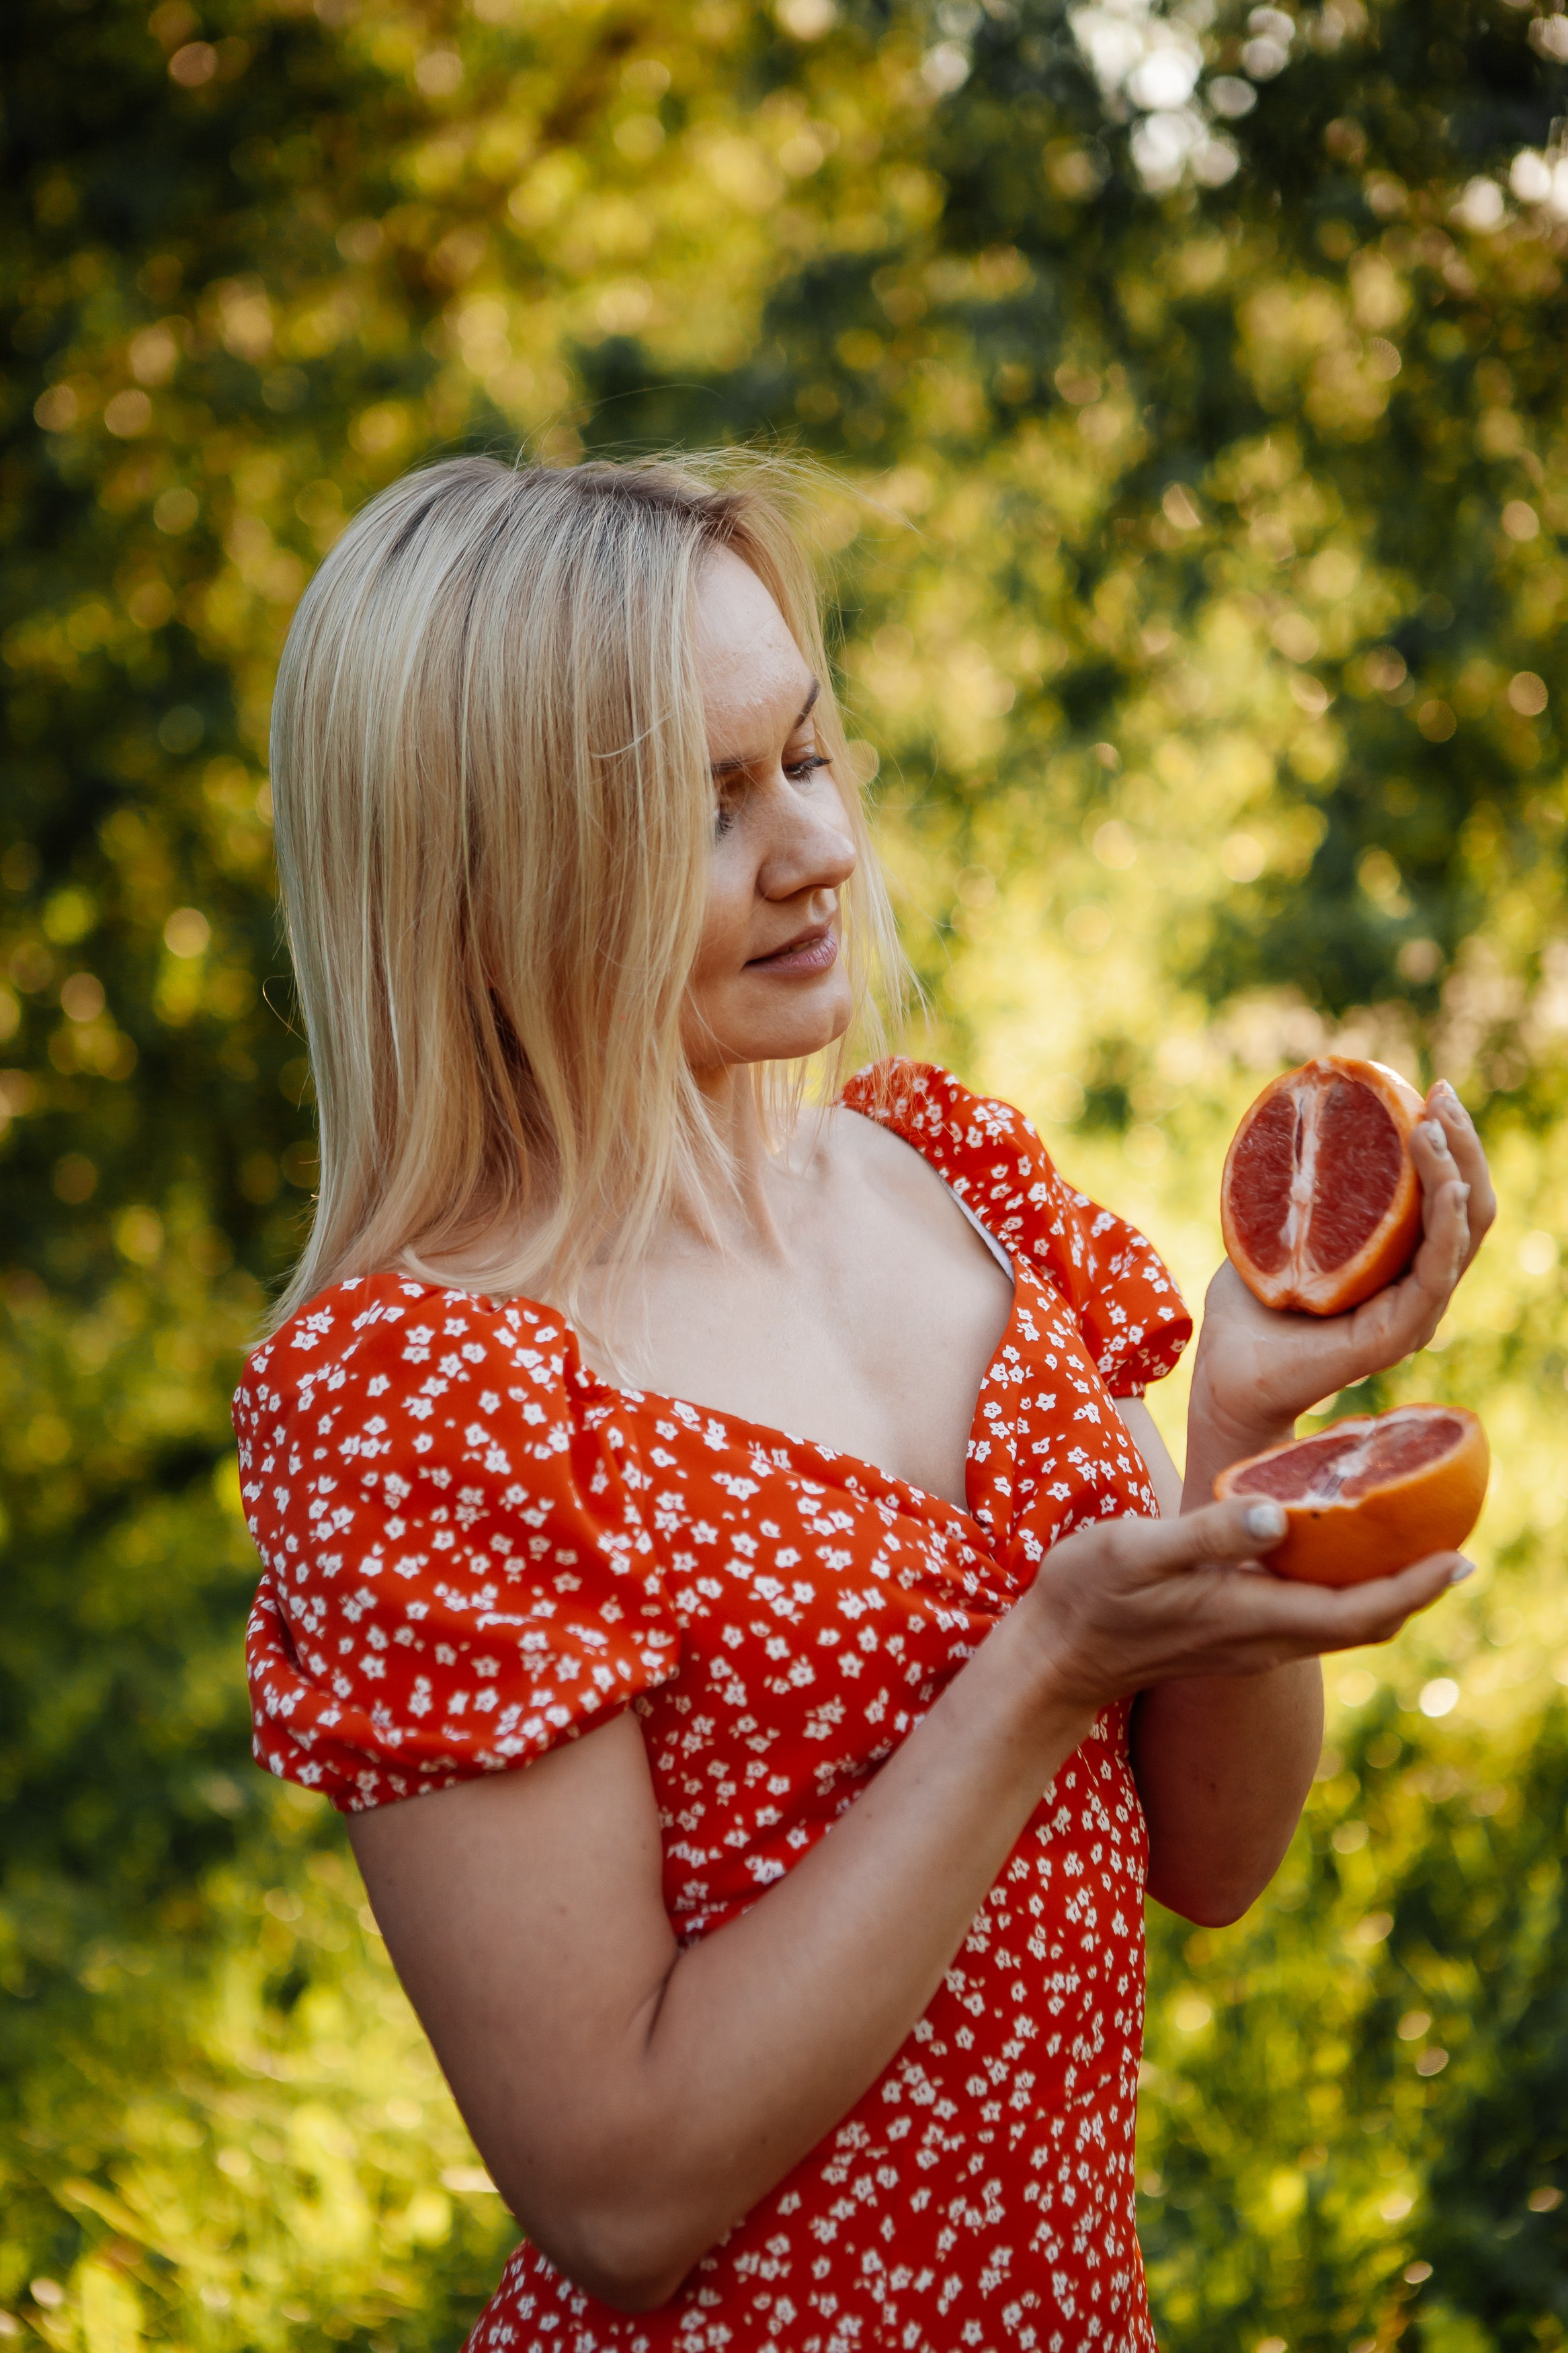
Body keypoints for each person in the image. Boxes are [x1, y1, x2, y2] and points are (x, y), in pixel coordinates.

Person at [237, 451, 1494, 2353]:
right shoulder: (433, 1395)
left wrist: (1244, 1433)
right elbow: (618, 2197)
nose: (816, 849)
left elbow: (1210, 1858)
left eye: (807, 758)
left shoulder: (947, 1182)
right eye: (706, 805)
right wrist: (1038, 1672)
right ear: (489, 879)